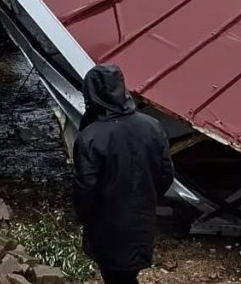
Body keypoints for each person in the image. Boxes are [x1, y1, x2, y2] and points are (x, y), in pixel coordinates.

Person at [73, 64, 174, 284]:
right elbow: (166, 174)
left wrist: (84, 216)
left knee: (116, 277)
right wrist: (146, 198)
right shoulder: (152, 126)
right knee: (127, 275)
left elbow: (85, 189)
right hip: (141, 219)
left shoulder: (90, 136)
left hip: (107, 226)